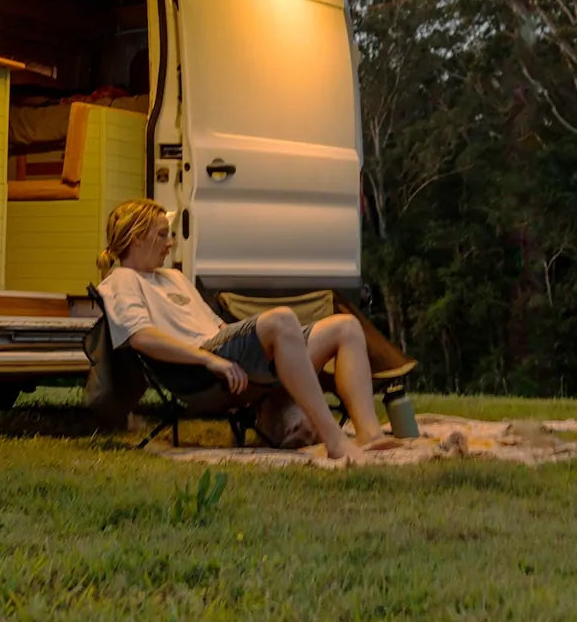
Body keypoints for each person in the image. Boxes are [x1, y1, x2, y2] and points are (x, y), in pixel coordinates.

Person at [96, 198, 400, 463]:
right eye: (162, 234)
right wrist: (209, 360)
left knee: (345, 327)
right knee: (281, 320)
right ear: (137, 239)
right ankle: (335, 441)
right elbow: (141, 337)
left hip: (227, 355)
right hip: (200, 372)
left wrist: (265, 344)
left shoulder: (173, 278)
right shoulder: (121, 281)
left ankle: (369, 435)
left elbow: (219, 327)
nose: (170, 243)